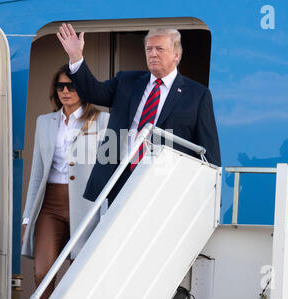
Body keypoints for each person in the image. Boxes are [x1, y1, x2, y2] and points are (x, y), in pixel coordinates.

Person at [57, 23, 221, 203]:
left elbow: (209, 149)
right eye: (148, 49)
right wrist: (76, 57)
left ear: (176, 55)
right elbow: (93, 92)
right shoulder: (126, 81)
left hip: (165, 183)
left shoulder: (197, 94)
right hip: (120, 178)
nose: (153, 54)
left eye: (159, 49)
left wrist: (209, 196)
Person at [21, 65, 109, 299]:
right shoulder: (45, 122)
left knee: (81, 271)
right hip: (49, 204)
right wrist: (28, 217)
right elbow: (37, 173)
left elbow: (109, 169)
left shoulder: (103, 120)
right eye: (60, 86)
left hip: (86, 204)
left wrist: (107, 213)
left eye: (71, 86)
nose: (65, 91)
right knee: (42, 271)